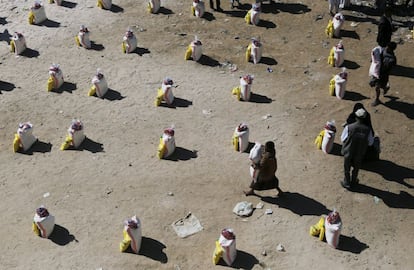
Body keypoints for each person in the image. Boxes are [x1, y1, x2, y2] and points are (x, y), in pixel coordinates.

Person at [340, 108, 374, 189]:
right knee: (356, 167)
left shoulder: (349, 127)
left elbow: (342, 139)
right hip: (359, 152)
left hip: (348, 151)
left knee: (347, 167)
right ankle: (354, 180)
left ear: (356, 117)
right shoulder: (368, 130)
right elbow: (370, 143)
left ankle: (347, 182)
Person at [371, 41, 397, 106]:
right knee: (378, 86)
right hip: (378, 72)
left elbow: (389, 69)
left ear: (391, 49)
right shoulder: (384, 50)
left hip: (383, 75)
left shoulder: (392, 59)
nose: (386, 48)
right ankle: (385, 88)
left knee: (377, 87)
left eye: (388, 48)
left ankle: (377, 99)